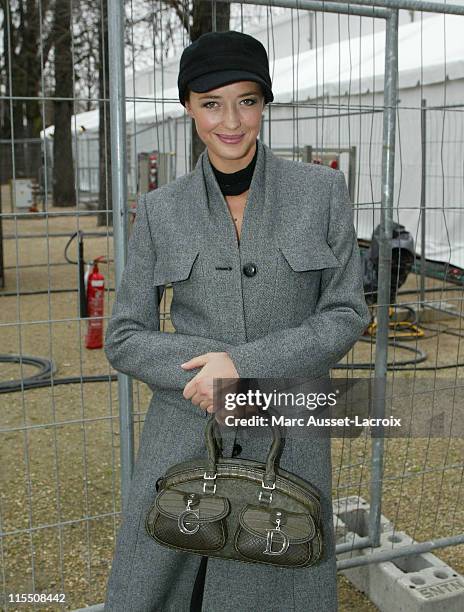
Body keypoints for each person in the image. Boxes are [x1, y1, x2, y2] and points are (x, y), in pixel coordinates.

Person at [103, 30, 370, 612]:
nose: (231, 121)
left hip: (288, 431)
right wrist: (202, 368)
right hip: (185, 430)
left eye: (247, 101)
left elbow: (348, 311)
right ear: (188, 107)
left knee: (277, 577)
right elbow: (124, 335)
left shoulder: (321, 192)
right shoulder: (160, 209)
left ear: (264, 104)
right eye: (211, 103)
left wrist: (242, 365)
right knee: (166, 584)